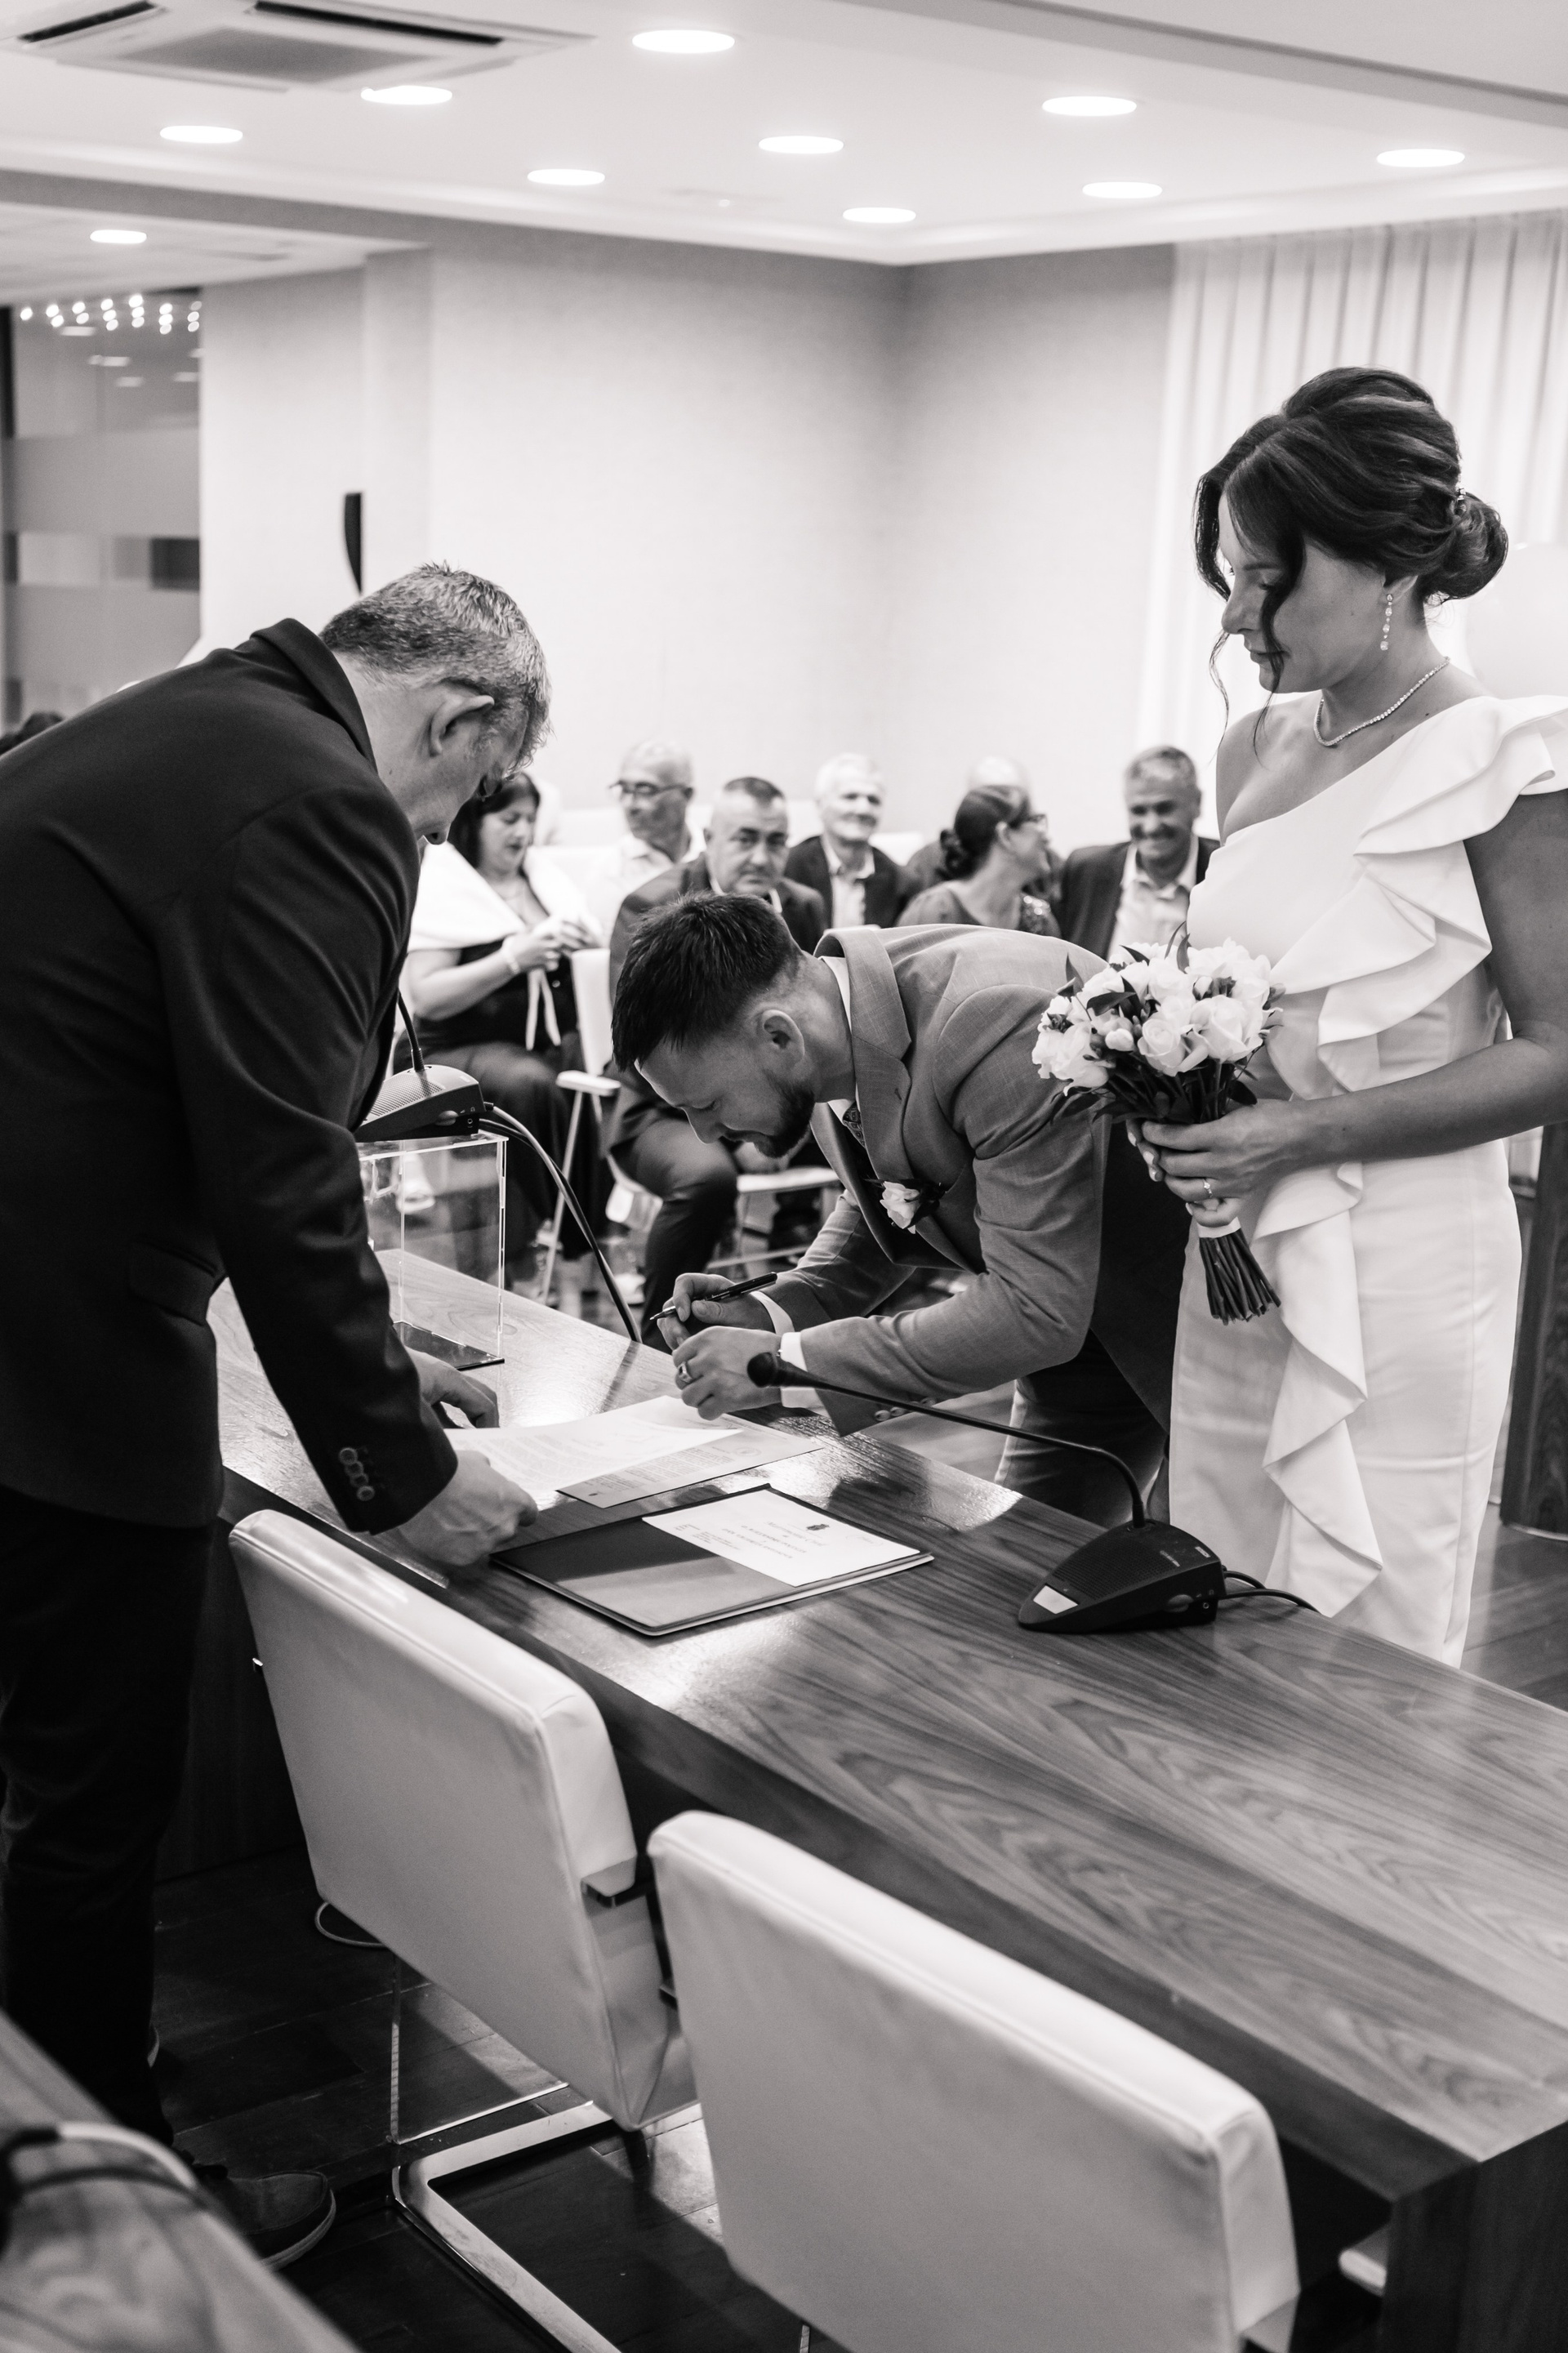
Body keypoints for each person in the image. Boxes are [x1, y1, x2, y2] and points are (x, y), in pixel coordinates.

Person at [0, 564, 540, 2252]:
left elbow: (128, 1084)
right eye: (461, 799)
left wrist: (370, 1354)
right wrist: (400, 1465)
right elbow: (280, 1161)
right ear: (457, 716)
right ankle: (103, 2219)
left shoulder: (176, 727)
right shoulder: (321, 797)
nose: (437, 834)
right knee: (84, 1814)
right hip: (55, 1367)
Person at [1141, 364, 1568, 1664]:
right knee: (1219, 1588)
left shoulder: (1506, 760)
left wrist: (1305, 1133)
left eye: (1269, 580)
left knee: (1369, 1636)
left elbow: (1557, 1054)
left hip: (1402, 1262)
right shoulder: (1251, 748)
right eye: (1229, 580)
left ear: (1387, 563)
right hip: (1237, 1253)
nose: (1238, 618)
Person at [618, 898, 1177, 1531]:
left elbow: (1034, 1310)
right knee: (1028, 1559)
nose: (703, 1134)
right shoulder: (827, 1032)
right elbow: (897, 1196)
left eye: (707, 1104)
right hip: (1075, 1347)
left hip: (1189, 1330)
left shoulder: (989, 1020)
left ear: (779, 1035)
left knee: (1202, 1571)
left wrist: (785, 1364)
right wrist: (771, 1312)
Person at [606, 778, 826, 1340]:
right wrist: (739, 1132)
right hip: (662, 1106)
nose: (762, 857)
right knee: (706, 1176)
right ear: (708, 838)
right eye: (746, 838)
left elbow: (808, 1028)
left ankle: (824, 1324)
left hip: (765, 1088)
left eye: (777, 841)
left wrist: (774, 1117)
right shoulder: (653, 905)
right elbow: (646, 1050)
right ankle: (659, 1341)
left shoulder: (803, 905)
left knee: (861, 1140)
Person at [400, 772, 602, 1299]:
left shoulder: (543, 879)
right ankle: (559, 1242)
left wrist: (580, 944)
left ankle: (590, 1236)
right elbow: (427, 995)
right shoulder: (447, 884)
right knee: (530, 1084)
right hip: (452, 1046)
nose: (522, 832)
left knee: (603, 1069)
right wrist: (513, 957)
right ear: (475, 822)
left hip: (535, 1042)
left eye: (530, 820)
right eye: (509, 819)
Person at [1056, 746, 1216, 958]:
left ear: (1197, 803)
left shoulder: (1224, 870)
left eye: (1164, 809)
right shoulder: (1086, 871)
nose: (1151, 827)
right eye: (1138, 811)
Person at [899, 782, 1059, 935]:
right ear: (1005, 836)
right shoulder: (932, 914)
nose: (1047, 838)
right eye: (1035, 820)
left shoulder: (1040, 921)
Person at [902, 756, 1061, 902]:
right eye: (993, 801)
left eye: (1023, 807)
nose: (1005, 814)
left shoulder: (1046, 863)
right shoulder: (926, 866)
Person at [579, 740, 697, 936]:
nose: (630, 805)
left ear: (686, 795)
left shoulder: (714, 856)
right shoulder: (609, 871)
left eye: (645, 790)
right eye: (624, 790)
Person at [786, 753, 915, 927]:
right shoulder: (787, 869)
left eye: (873, 800)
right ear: (820, 805)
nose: (863, 809)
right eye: (850, 797)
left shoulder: (902, 883)